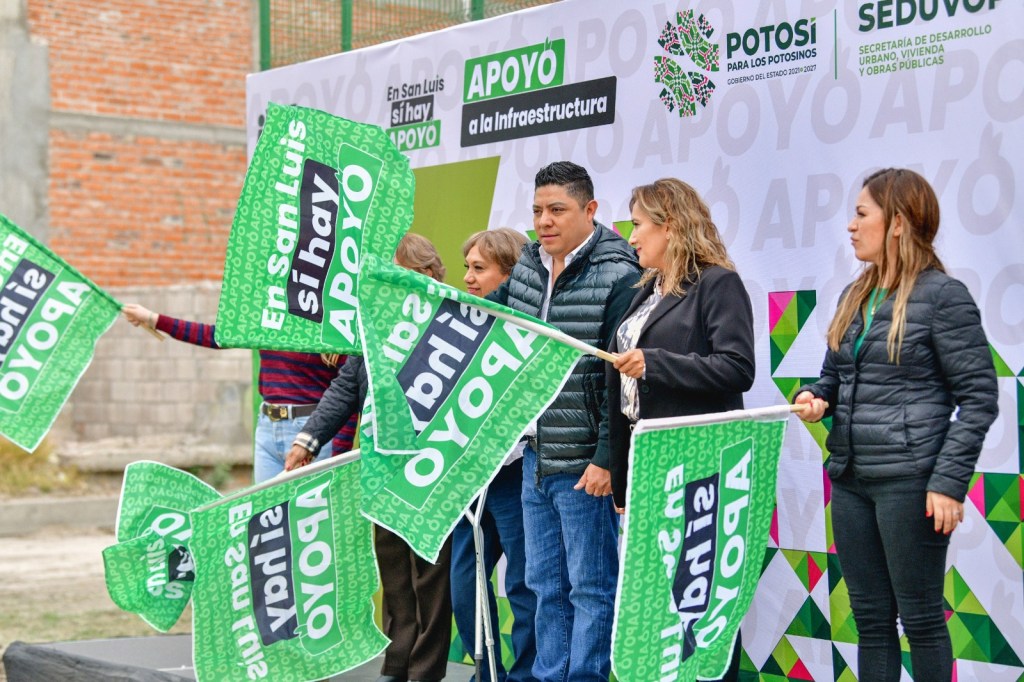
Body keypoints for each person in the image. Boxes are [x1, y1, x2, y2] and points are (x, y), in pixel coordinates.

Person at [794, 168, 998, 682]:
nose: (850, 226)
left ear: (899, 223)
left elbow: (979, 399)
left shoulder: (942, 297)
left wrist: (949, 484)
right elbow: (831, 378)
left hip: (912, 483)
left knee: (923, 620)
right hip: (851, 480)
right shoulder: (854, 295)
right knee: (871, 622)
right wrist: (815, 397)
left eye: (862, 214)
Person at [490, 161, 641, 682]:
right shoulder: (528, 265)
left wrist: (606, 459)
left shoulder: (618, 272)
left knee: (591, 588)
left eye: (557, 210)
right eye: (537, 211)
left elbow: (617, 379)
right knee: (544, 586)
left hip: (584, 466)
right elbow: (484, 320)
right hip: (535, 458)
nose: (544, 222)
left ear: (591, 210)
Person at [285, 233, 454, 682]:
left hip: (434, 468)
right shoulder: (376, 325)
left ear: (428, 274)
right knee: (395, 571)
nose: (391, 285)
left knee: (429, 577)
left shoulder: (453, 322)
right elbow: (344, 389)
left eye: (399, 274)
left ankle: (425, 670)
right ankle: (396, 662)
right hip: (380, 465)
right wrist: (308, 439)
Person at [607, 178, 755, 681]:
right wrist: (623, 482)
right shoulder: (644, 291)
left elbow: (738, 368)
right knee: (653, 605)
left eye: (638, 225)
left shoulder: (717, 283)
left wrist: (657, 363)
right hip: (648, 464)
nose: (631, 238)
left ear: (669, 227)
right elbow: (625, 398)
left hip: (698, 466)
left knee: (699, 600)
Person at [121, 304, 357, 483]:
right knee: (267, 522)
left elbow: (347, 396)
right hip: (267, 428)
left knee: (311, 523)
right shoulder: (270, 314)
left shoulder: (333, 322)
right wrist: (153, 319)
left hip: (311, 433)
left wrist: (337, 457)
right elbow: (215, 336)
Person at [451, 228, 535, 682]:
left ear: (510, 274)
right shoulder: (460, 323)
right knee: (464, 583)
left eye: (478, 268)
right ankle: (487, 672)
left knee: (523, 585)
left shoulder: (524, 323)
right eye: (467, 266)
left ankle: (523, 676)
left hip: (517, 469)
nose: (467, 277)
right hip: (471, 473)